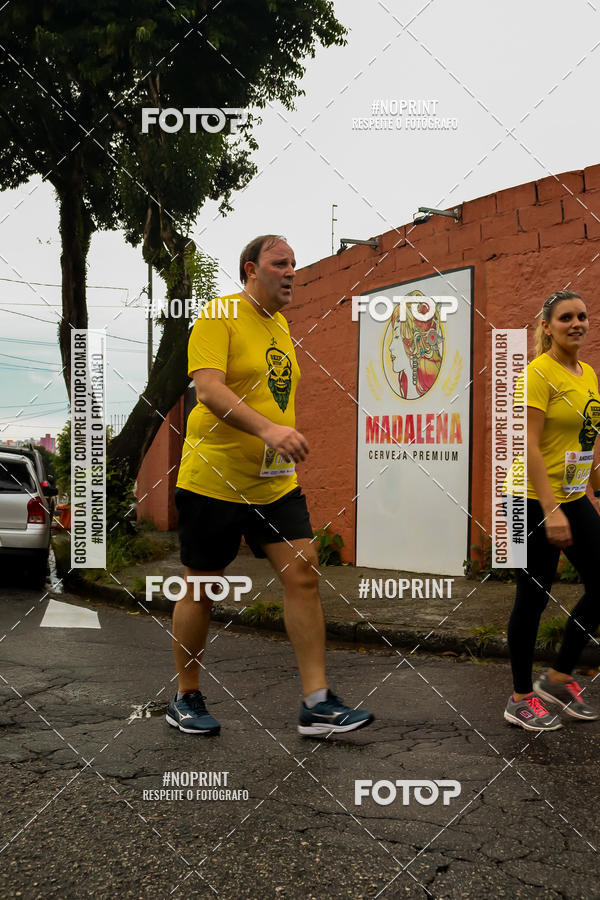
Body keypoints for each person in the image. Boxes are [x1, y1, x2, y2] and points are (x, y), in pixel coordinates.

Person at [166, 234, 374, 737]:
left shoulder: (280, 325)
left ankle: (317, 703)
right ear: (251, 269)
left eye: (294, 264)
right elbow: (208, 389)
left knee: (304, 570)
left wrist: (276, 436)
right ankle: (186, 696)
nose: (291, 272)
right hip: (214, 477)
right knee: (203, 586)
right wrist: (268, 430)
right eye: (280, 263)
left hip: (273, 482)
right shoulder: (219, 315)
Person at [503, 290, 600, 731]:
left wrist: (597, 486)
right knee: (534, 595)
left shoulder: (587, 373)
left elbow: (585, 439)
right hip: (528, 498)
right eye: (566, 318)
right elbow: (529, 445)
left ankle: (558, 676)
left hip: (573, 496)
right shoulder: (537, 373)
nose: (576, 323)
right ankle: (520, 697)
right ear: (547, 326)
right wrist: (550, 509)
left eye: (582, 316)